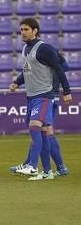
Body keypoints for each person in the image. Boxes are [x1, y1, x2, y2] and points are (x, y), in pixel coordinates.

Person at [8, 18, 72, 180]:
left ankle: (33, 166)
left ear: (35, 30)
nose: (22, 32)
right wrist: (17, 82)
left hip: (45, 94)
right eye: (21, 30)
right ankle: (47, 170)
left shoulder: (44, 49)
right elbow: (29, 70)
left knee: (36, 128)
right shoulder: (25, 49)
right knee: (43, 131)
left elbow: (61, 68)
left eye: (26, 29)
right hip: (32, 95)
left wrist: (66, 90)